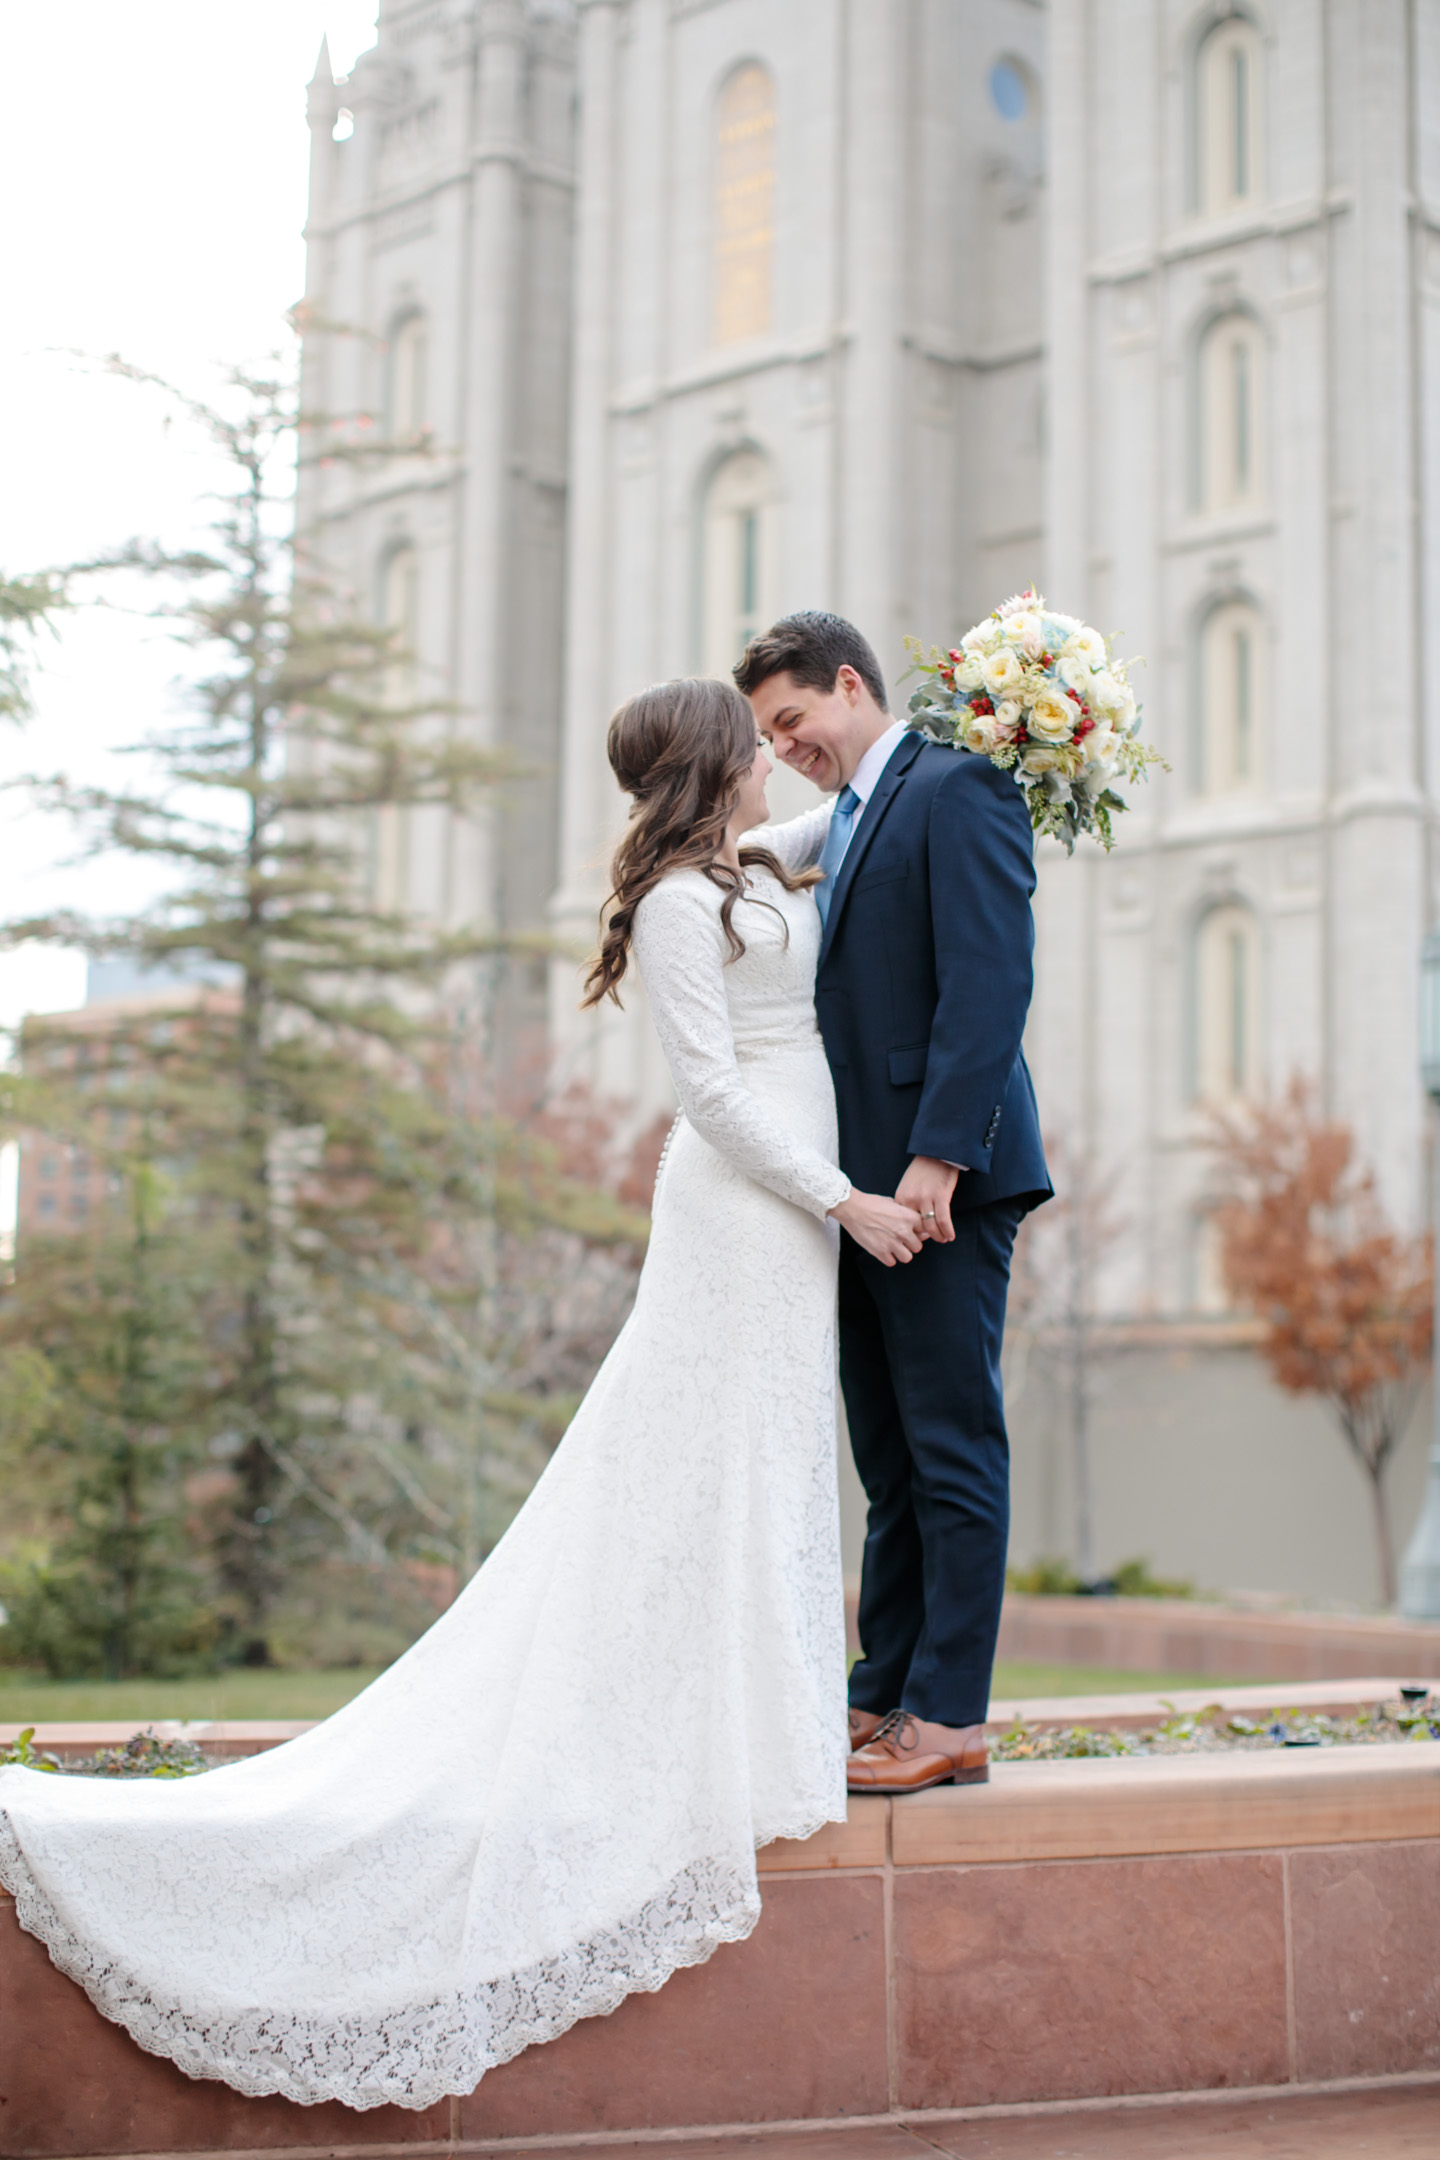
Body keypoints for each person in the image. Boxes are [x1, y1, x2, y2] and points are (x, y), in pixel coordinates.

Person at [0, 677, 920, 2113]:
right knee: (708, 1457)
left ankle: (752, 1725)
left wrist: (980, 728)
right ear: (704, 764)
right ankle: (693, 1736)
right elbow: (714, 1099)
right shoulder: (682, 904)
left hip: (798, 1222)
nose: (767, 748)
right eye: (746, 737)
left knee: (766, 1460)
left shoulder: (755, 863)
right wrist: (847, 1197)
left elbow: (860, 807)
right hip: (753, 1210)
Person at [738, 612, 1052, 1796]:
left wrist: (939, 1161)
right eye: (768, 733)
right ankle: (885, 1690)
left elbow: (988, 983)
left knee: (951, 1444)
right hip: (860, 1193)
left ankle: (951, 1716)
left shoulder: (957, 787)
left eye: (793, 720)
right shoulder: (856, 814)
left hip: (937, 1186)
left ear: (850, 683)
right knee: (891, 1454)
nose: (784, 748)